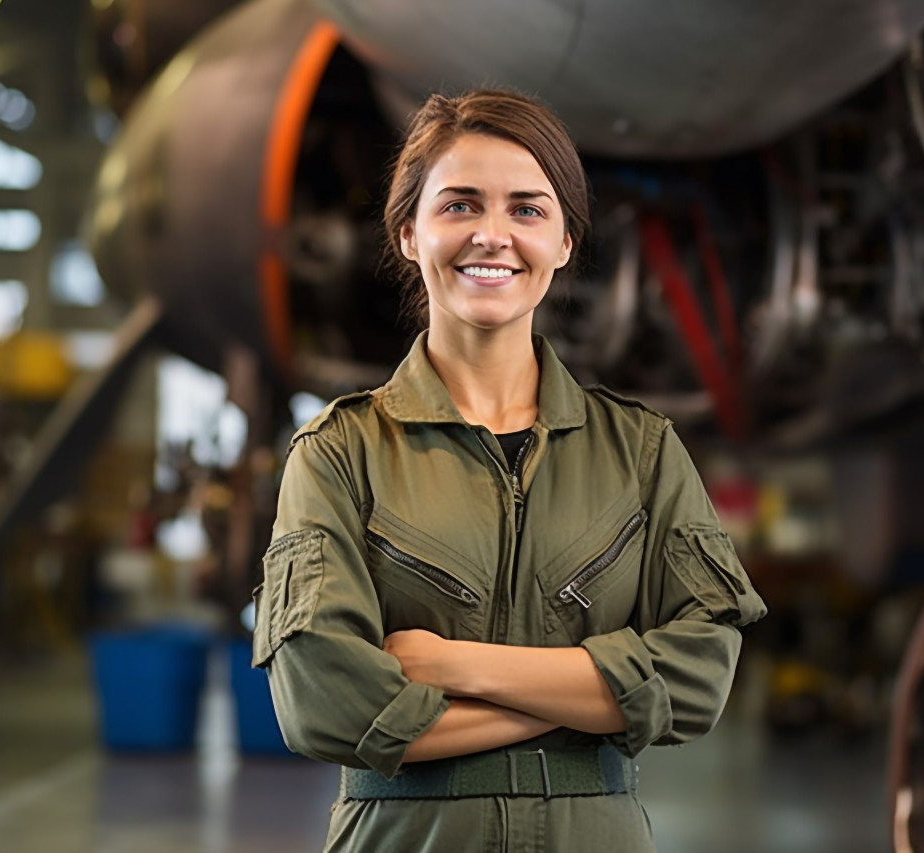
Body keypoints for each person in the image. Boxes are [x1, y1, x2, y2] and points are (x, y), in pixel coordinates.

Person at [252, 88, 766, 853]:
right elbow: (327, 707)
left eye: (528, 209)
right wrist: (603, 695)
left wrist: (455, 664)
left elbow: (696, 680)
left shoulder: (642, 451)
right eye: (460, 205)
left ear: (564, 241)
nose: (493, 235)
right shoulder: (339, 453)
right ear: (406, 234)